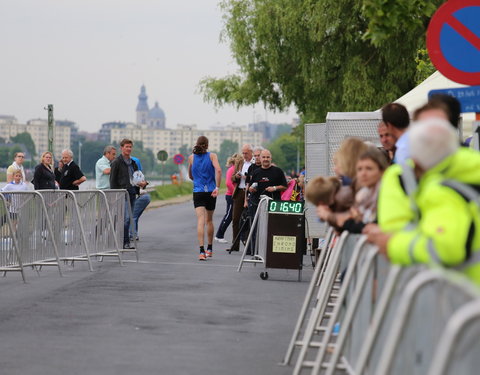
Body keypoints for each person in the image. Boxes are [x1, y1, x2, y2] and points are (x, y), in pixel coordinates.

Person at [365, 118, 480, 285]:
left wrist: (392, 244)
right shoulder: (468, 172)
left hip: (468, 296)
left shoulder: (440, 191)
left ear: (417, 161)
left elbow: (445, 248)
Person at [317, 147, 388, 233]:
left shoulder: (386, 193)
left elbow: (366, 228)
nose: (363, 173)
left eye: (369, 168)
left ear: (382, 170)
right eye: (359, 169)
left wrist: (332, 217)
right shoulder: (363, 194)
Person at [188, 136, 222, 260]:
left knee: (200, 221)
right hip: (211, 192)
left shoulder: (191, 158)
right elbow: (218, 170)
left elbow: (190, 175)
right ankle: (210, 249)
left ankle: (201, 252)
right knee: (209, 220)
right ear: (207, 145)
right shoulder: (212, 156)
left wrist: (197, 180)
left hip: (198, 191)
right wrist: (217, 187)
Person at [110, 139, 147, 249]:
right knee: (125, 218)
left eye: (130, 147)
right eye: (126, 146)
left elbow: (137, 178)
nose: (129, 149)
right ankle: (124, 242)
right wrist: (114, 194)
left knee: (129, 218)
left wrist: (143, 184)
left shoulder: (133, 163)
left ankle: (124, 241)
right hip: (122, 193)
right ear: (121, 148)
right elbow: (112, 180)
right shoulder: (116, 162)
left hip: (132, 193)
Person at [228, 144, 253, 252]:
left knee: (249, 219)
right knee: (235, 219)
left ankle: (249, 245)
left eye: (246, 153)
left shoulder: (255, 163)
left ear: (251, 152)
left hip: (250, 193)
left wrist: (247, 178)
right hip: (239, 192)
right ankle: (235, 244)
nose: (244, 155)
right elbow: (232, 178)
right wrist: (237, 177)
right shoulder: (240, 162)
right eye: (243, 153)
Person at [214, 153, 240, 243]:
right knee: (228, 216)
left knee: (231, 216)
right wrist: (235, 194)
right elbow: (228, 183)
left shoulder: (236, 170)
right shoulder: (231, 170)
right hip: (231, 196)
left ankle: (220, 235)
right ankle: (219, 235)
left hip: (233, 196)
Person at [130, 156, 150, 241]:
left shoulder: (134, 174)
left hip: (140, 197)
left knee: (133, 216)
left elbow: (136, 183)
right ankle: (134, 233)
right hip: (145, 196)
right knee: (135, 216)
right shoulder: (141, 173)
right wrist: (144, 183)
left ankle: (132, 234)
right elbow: (143, 185)